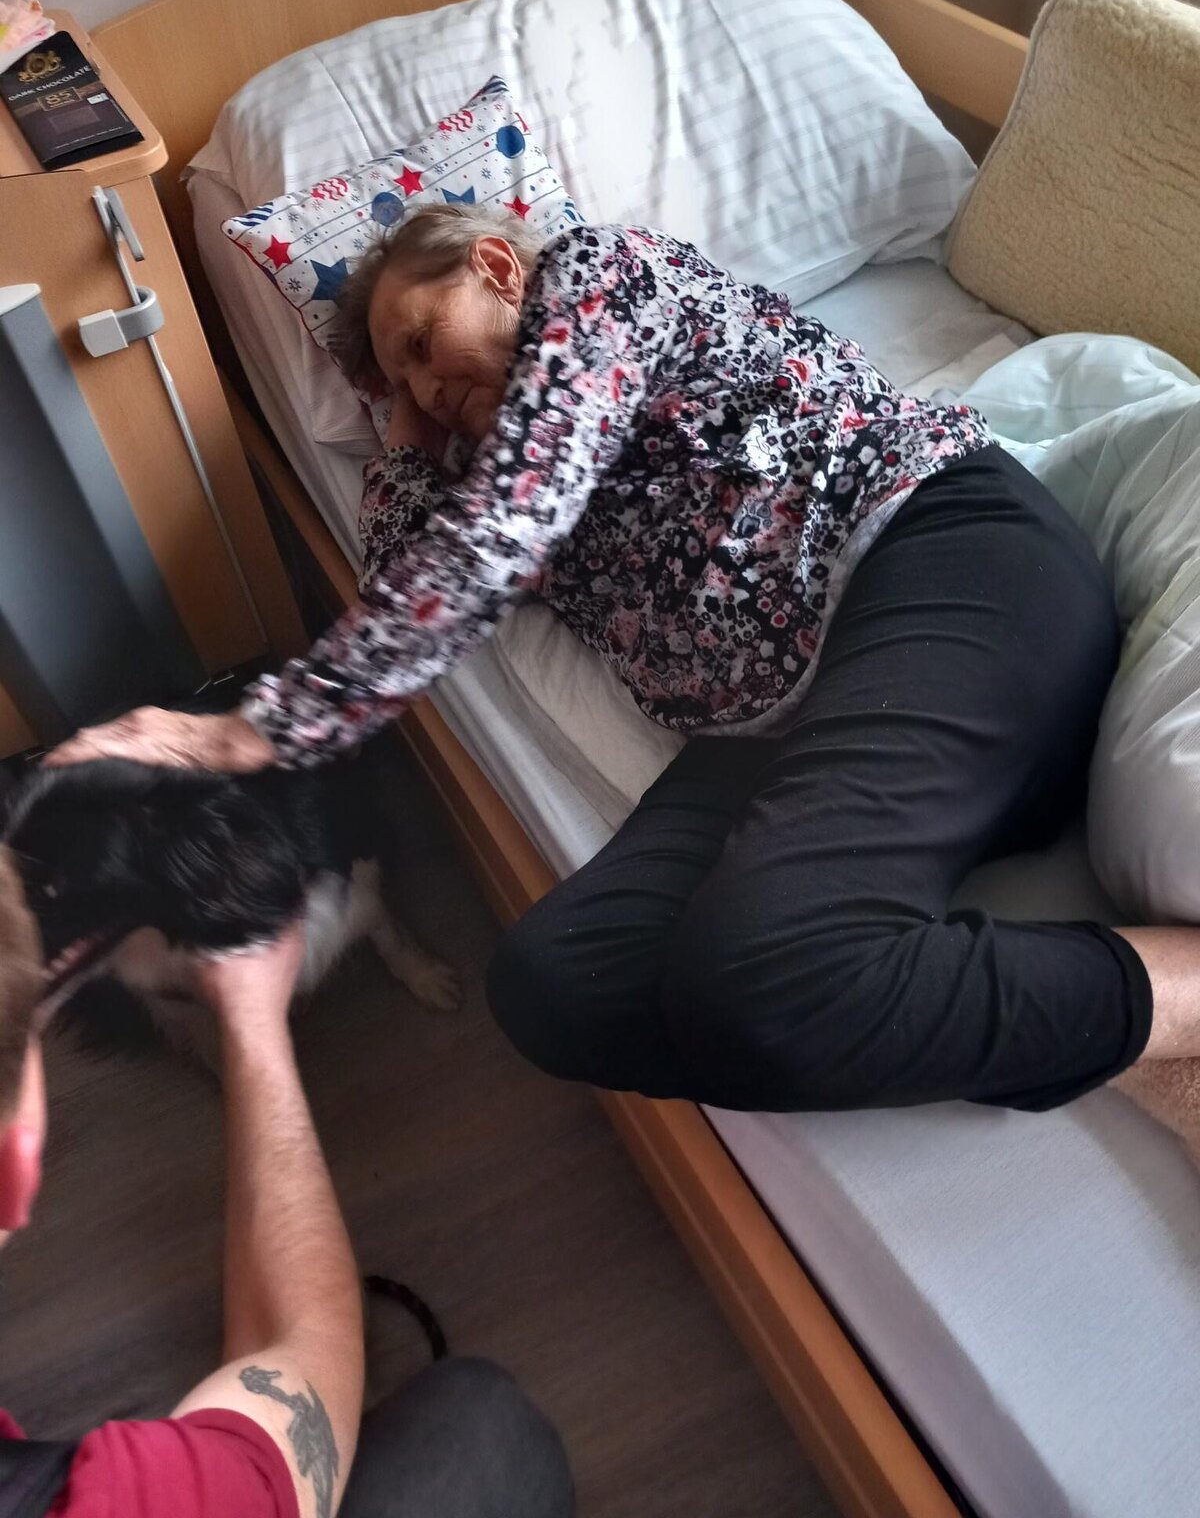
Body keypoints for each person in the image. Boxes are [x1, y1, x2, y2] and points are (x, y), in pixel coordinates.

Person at [49, 204, 1200, 1117]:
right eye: (402, 385)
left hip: (937, 566)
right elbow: (415, 572)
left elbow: (510, 522)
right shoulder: (476, 470)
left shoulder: (607, 278)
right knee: (554, 985)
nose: (429, 389)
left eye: (423, 342)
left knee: (760, 970)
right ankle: (965, 1001)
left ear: (497, 265)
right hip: (785, 723)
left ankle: (1168, 999)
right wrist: (408, 431)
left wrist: (258, 728)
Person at [0, 849, 573, 1518]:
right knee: (489, 1426)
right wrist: (252, 1017)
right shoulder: (131, 1498)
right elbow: (305, 1360)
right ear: (18, 1163)